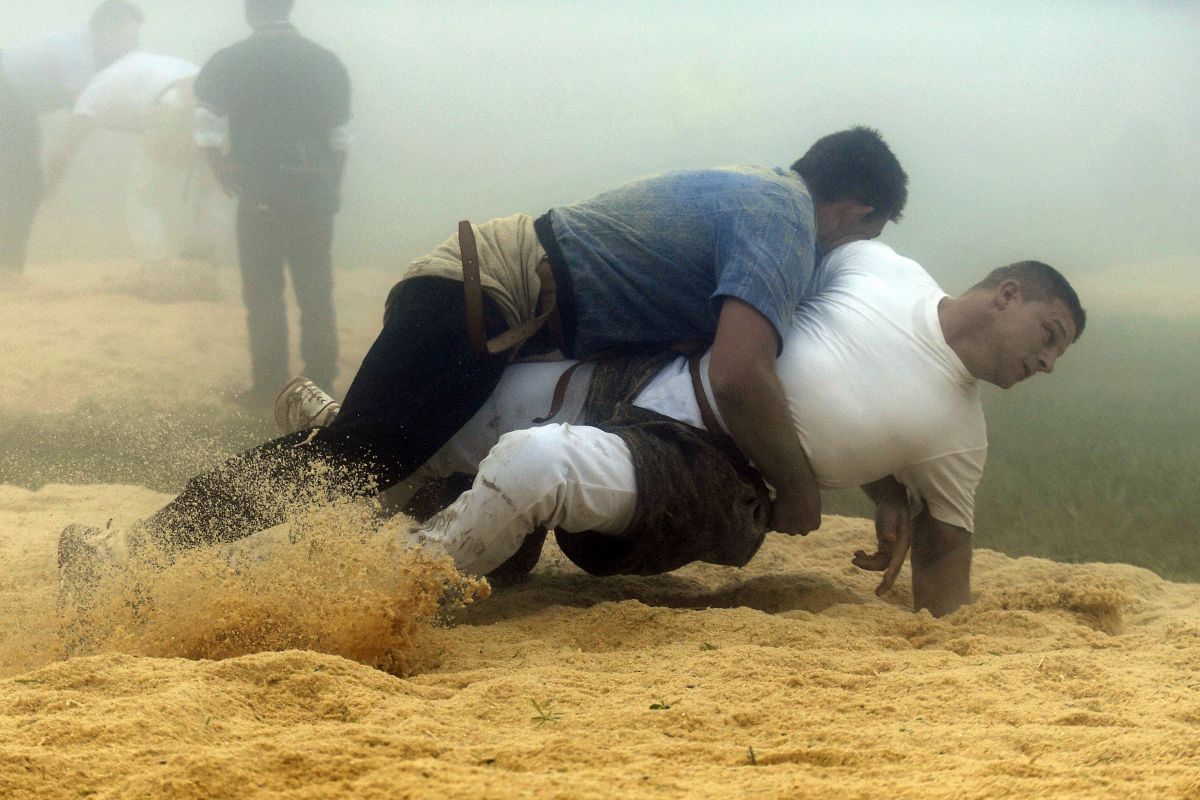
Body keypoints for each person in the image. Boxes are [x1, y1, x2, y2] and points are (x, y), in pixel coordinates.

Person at [110, 126, 907, 551]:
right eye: (860, 236)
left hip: (487, 301)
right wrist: (800, 487)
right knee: (362, 456)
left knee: (380, 451)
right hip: (482, 299)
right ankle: (140, 555)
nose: (840, 252)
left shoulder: (757, 188)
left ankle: (287, 458)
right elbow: (740, 372)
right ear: (856, 210)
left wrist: (882, 483)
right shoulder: (785, 221)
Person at [313, 242, 1085, 618]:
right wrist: (884, 485)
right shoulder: (879, 265)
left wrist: (945, 634)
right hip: (647, 374)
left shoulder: (960, 435)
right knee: (427, 432)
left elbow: (945, 555)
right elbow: (769, 277)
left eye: (1058, 355)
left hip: (706, 472)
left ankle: (377, 599)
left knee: (531, 465)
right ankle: (323, 445)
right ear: (1007, 295)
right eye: (1049, 335)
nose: (1048, 363)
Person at [193, 0, 352, 400]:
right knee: (316, 290)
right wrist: (332, 184)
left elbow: (206, 120)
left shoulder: (231, 60)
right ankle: (320, 381)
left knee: (263, 291)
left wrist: (219, 167)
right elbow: (341, 136)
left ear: (250, 13)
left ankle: (267, 383)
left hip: (261, 192)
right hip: (314, 193)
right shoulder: (325, 61)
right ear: (291, 7)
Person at [43, 51, 229, 267]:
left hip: (174, 107)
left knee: (143, 195)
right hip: (219, 108)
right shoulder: (136, 61)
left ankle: (155, 266)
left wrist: (49, 184)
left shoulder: (94, 88)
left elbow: (69, 141)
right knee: (211, 189)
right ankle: (201, 265)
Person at [0, 0, 143, 278]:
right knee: (21, 184)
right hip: (8, 99)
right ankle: (8, 270)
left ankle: (8, 268)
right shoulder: (77, 51)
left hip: (20, 108)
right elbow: (84, 108)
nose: (135, 46)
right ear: (106, 31)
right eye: (130, 37)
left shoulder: (93, 54)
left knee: (24, 186)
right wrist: (140, 126)